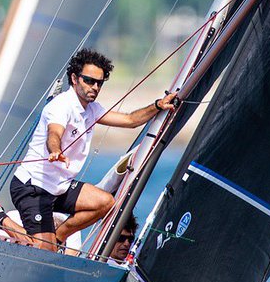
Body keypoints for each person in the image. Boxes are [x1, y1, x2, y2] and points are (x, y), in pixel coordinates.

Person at [10, 48, 175, 251]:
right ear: (74, 78)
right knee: (46, 253)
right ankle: (1, 218)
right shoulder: (62, 106)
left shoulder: (92, 109)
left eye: (99, 83)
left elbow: (131, 120)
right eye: (89, 81)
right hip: (33, 187)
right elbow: (54, 133)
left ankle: (59, 235)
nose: (95, 87)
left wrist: (158, 105)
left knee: (105, 203)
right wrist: (55, 150)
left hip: (59, 187)